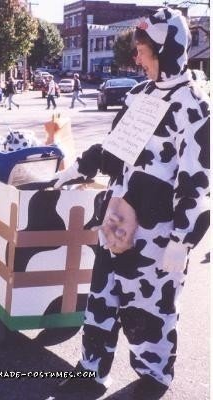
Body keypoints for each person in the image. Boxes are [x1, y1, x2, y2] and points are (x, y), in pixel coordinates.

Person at [53, 7, 209, 399]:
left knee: (150, 313)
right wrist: (79, 167)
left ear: (167, 50)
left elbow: (198, 179)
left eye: (144, 51)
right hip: (116, 221)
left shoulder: (194, 106)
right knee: (102, 301)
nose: (137, 59)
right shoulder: (139, 95)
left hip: (158, 238)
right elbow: (113, 149)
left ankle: (153, 375)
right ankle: (91, 367)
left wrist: (183, 240)